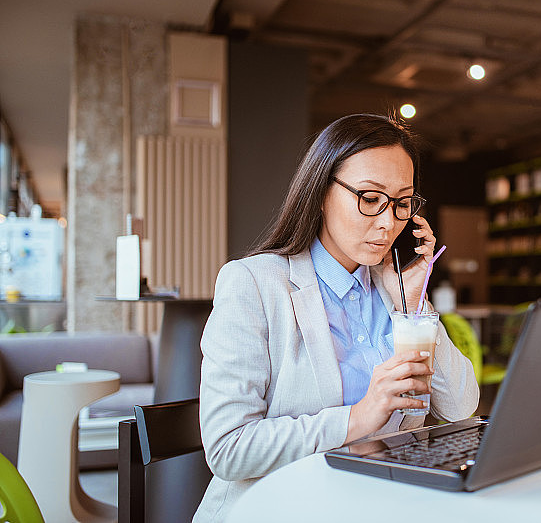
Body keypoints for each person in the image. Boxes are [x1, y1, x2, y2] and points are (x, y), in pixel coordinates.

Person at [193, 113, 479, 521]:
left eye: (402, 203)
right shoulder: (253, 283)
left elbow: (460, 407)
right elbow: (229, 451)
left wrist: (414, 306)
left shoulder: (393, 290)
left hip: (377, 504)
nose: (388, 222)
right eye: (370, 198)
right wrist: (359, 417)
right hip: (280, 508)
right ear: (322, 192)